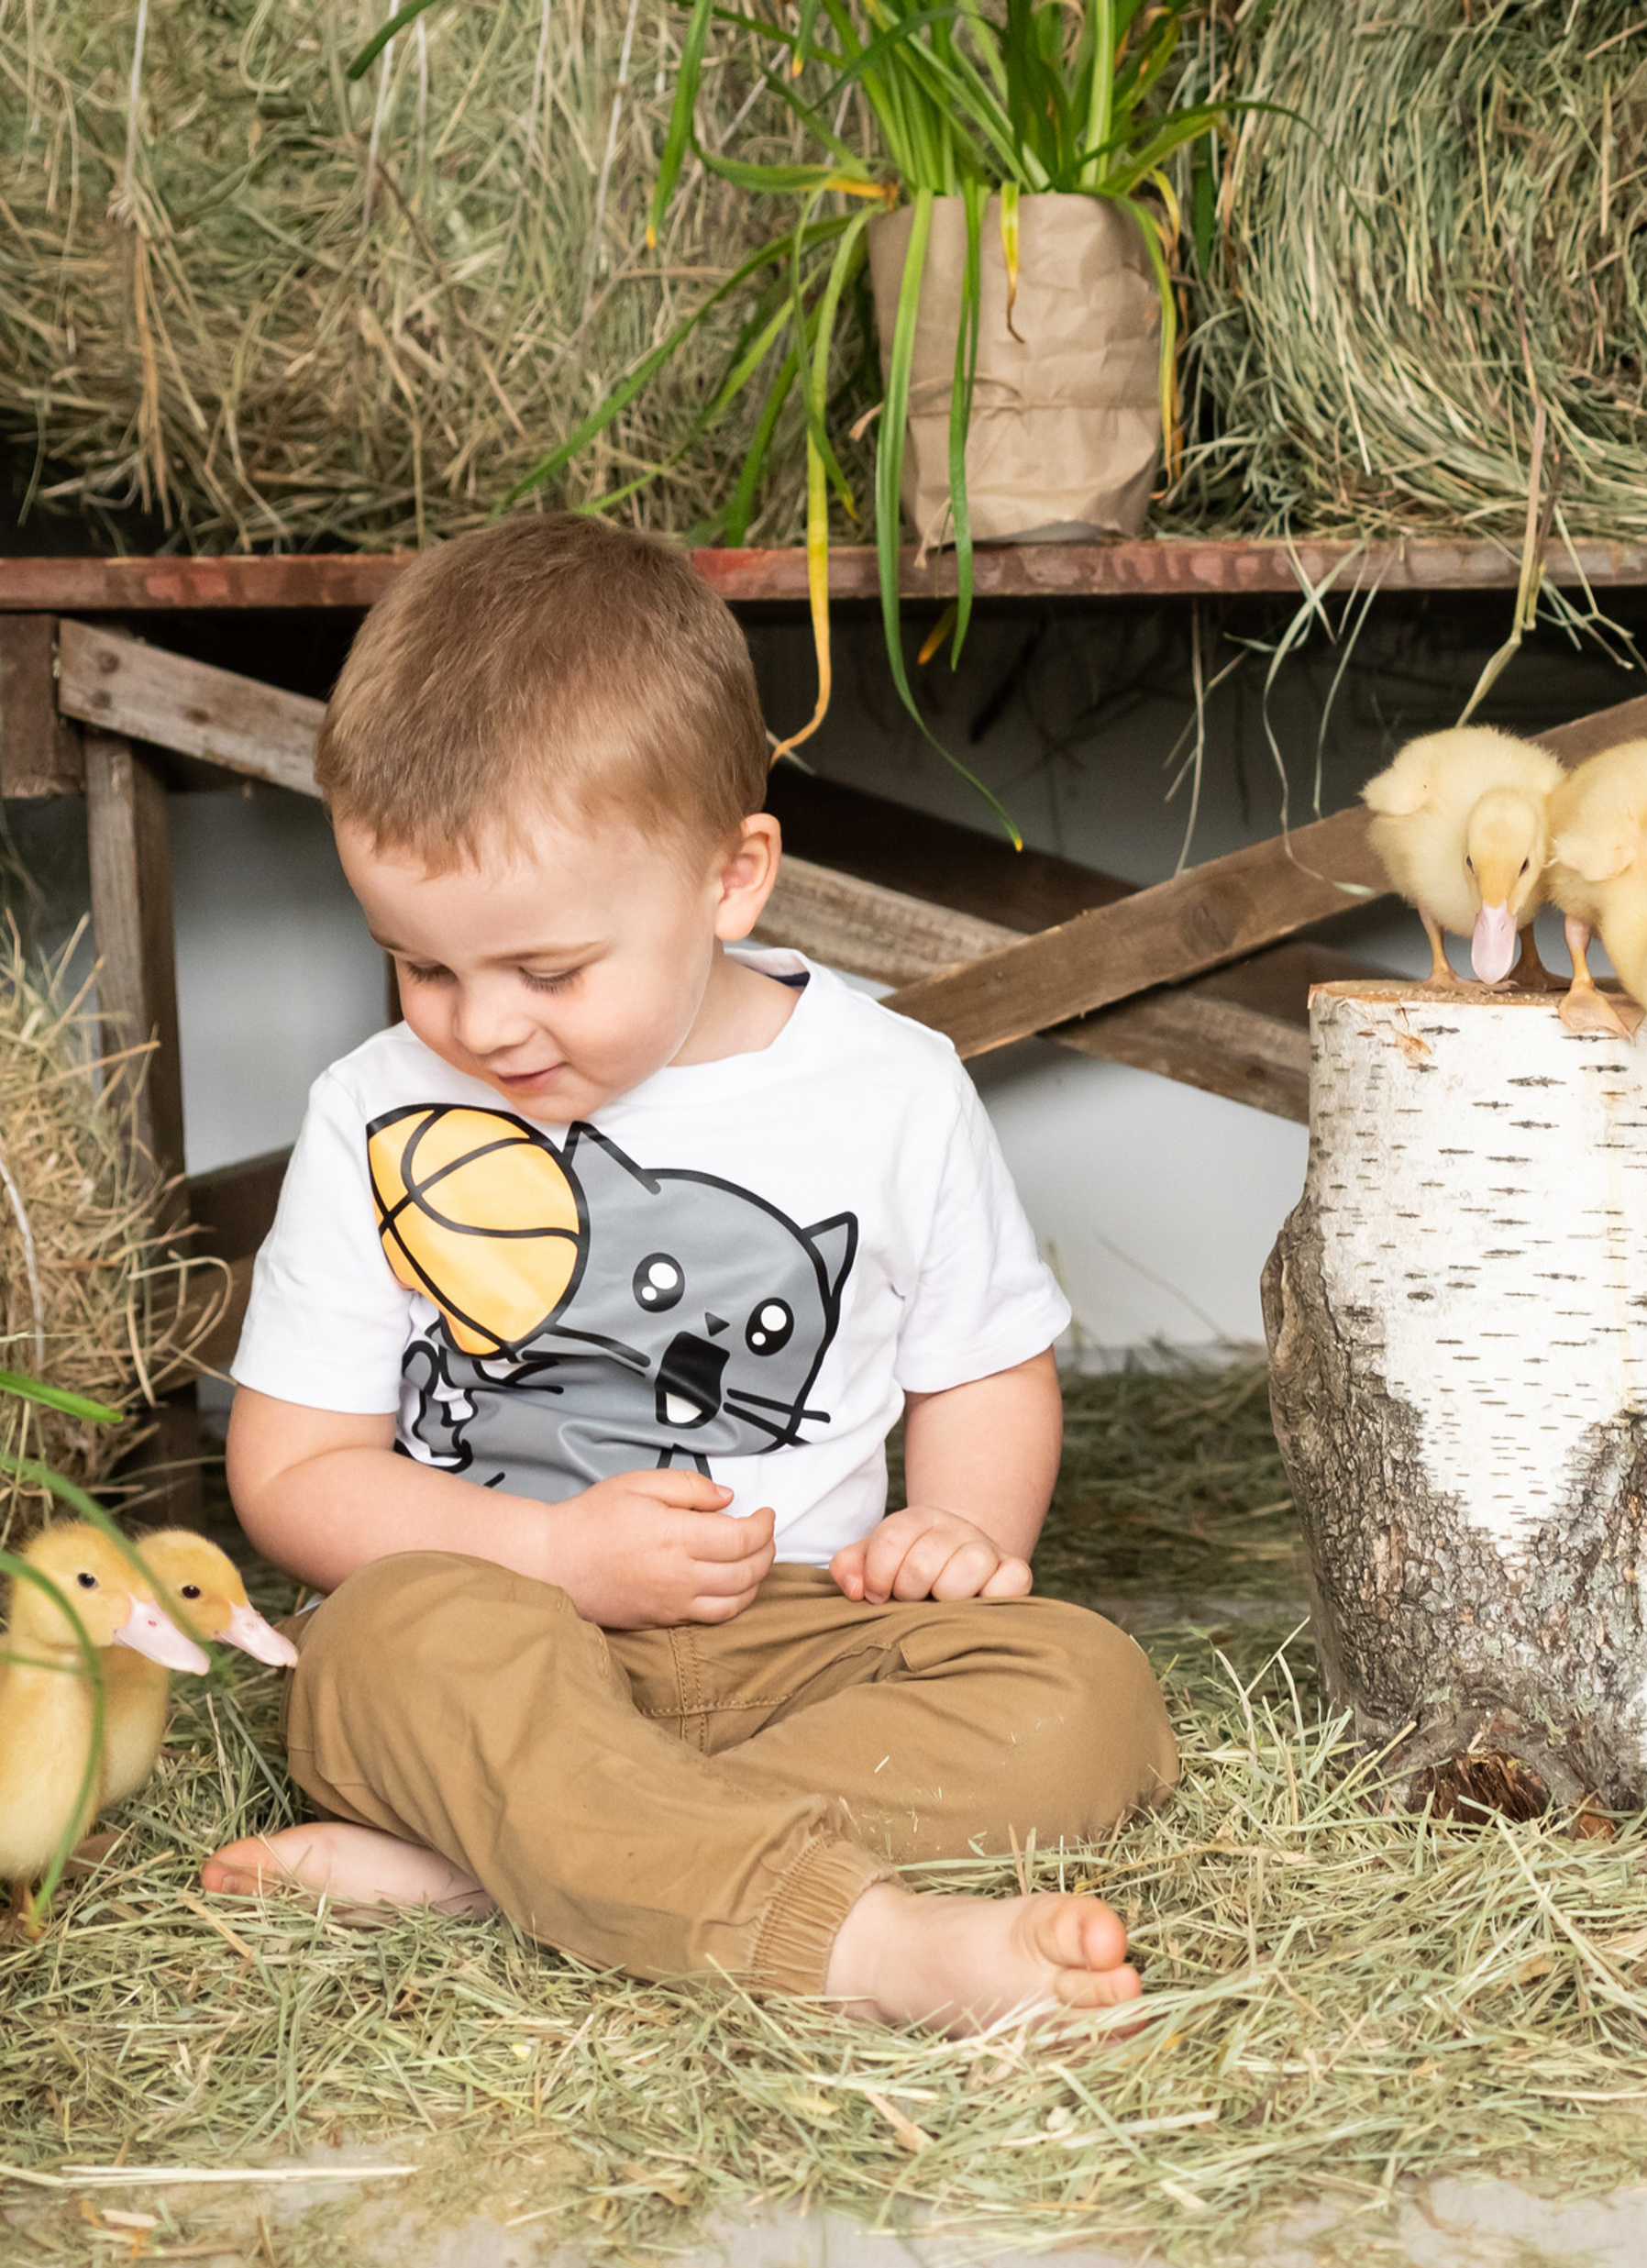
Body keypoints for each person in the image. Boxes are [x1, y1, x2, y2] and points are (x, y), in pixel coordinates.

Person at [202, 514, 1177, 2030]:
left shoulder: (891, 1085)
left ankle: (500, 1862)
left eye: (548, 971)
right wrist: (550, 1559)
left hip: (809, 1639)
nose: (482, 1028)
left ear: (733, 878)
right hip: (501, 1633)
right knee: (376, 1657)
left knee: (1092, 1695)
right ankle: (858, 1945)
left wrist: (956, 1529)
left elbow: (979, 1364)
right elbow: (293, 1471)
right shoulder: (379, 1111)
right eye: (422, 962)